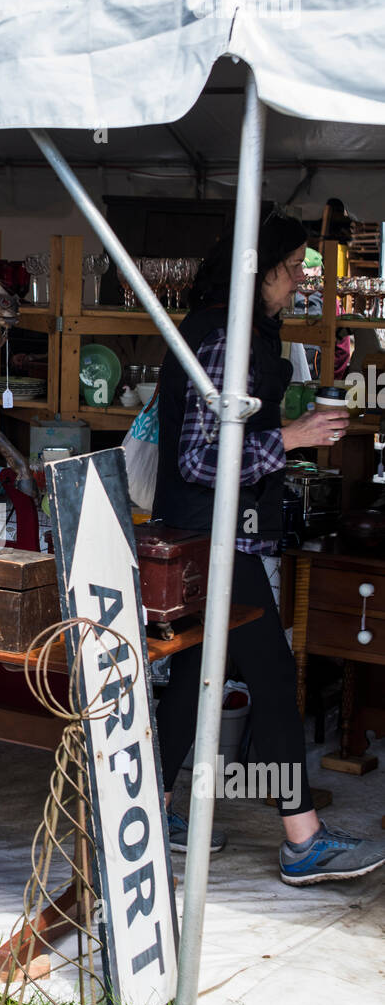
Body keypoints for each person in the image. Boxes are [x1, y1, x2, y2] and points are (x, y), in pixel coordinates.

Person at [152, 210, 385, 886]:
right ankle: (301, 840)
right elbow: (200, 457)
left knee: (194, 680)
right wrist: (291, 438)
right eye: (290, 273)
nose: (296, 286)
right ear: (259, 274)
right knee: (273, 678)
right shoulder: (224, 338)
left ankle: (159, 804)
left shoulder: (226, 331)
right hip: (210, 533)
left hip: (201, 530)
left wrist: (284, 429)